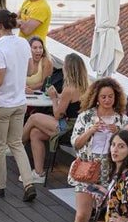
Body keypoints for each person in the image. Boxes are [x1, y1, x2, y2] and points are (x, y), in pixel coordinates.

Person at [65, 77, 128, 222]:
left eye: (110, 96)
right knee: (82, 214)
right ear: (96, 97)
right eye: (103, 97)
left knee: (104, 215)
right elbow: (75, 143)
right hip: (87, 169)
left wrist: (117, 133)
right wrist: (91, 131)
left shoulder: (122, 120)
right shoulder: (86, 117)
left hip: (109, 172)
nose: (107, 100)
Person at [0, 10, 38, 202]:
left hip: (0, 103)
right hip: (19, 102)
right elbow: (31, 70)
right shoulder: (23, 42)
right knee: (16, 143)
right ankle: (28, 183)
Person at [22, 53, 86, 182]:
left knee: (33, 117)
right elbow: (70, 102)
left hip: (67, 128)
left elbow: (57, 114)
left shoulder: (69, 88)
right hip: (78, 127)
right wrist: (57, 95)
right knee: (35, 133)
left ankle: (16, 145)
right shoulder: (84, 87)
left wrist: (53, 98)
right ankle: (39, 173)